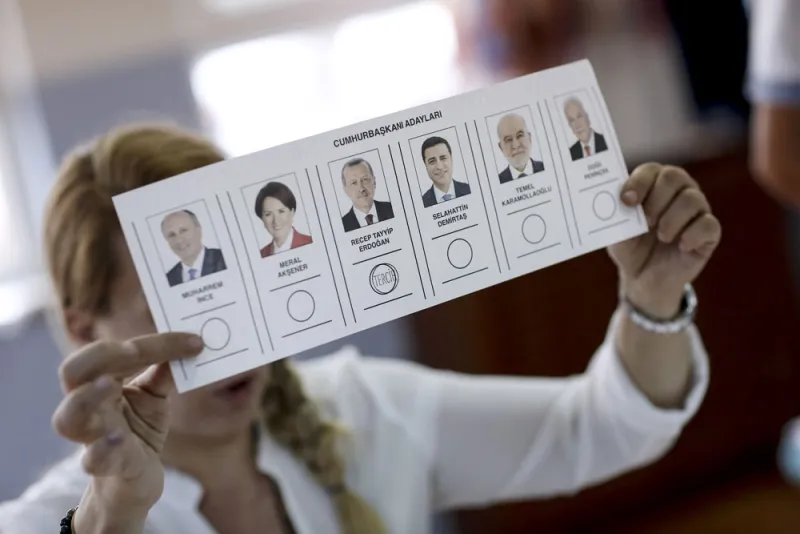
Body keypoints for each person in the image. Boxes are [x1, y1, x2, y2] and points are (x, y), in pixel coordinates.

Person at [0, 123, 722, 534]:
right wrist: (112, 515)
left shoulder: (362, 409)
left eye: (241, 283)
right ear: (84, 325)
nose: (231, 340)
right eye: (182, 310)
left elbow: (596, 429)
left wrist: (651, 298)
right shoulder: (51, 519)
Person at [161, 209, 226, 286]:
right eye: (172, 235)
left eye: (183, 230)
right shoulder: (169, 279)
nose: (179, 240)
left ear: (198, 230)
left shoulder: (224, 259)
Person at [253, 181, 312, 258]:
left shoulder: (310, 243)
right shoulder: (261, 255)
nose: (276, 221)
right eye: (268, 214)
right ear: (262, 219)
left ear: (292, 212)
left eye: (281, 211)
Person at [340, 158, 394, 232]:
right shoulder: (342, 225)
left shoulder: (393, 209)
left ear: (374, 182)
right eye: (354, 183)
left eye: (365, 179)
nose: (361, 188)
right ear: (345, 189)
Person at [419, 136, 471, 207]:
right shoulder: (421, 204)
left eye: (443, 158)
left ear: (451, 159)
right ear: (425, 165)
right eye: (432, 161)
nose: (439, 167)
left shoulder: (470, 190)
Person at [496, 113, 545, 184]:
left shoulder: (546, 168)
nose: (516, 145)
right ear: (501, 148)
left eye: (520, 135)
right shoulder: (499, 181)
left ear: (529, 138)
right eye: (508, 140)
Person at [564, 97, 608, 161]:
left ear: (587, 118)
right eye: (572, 120)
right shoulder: (571, 154)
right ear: (570, 125)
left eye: (579, 116)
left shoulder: (605, 141)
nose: (577, 124)